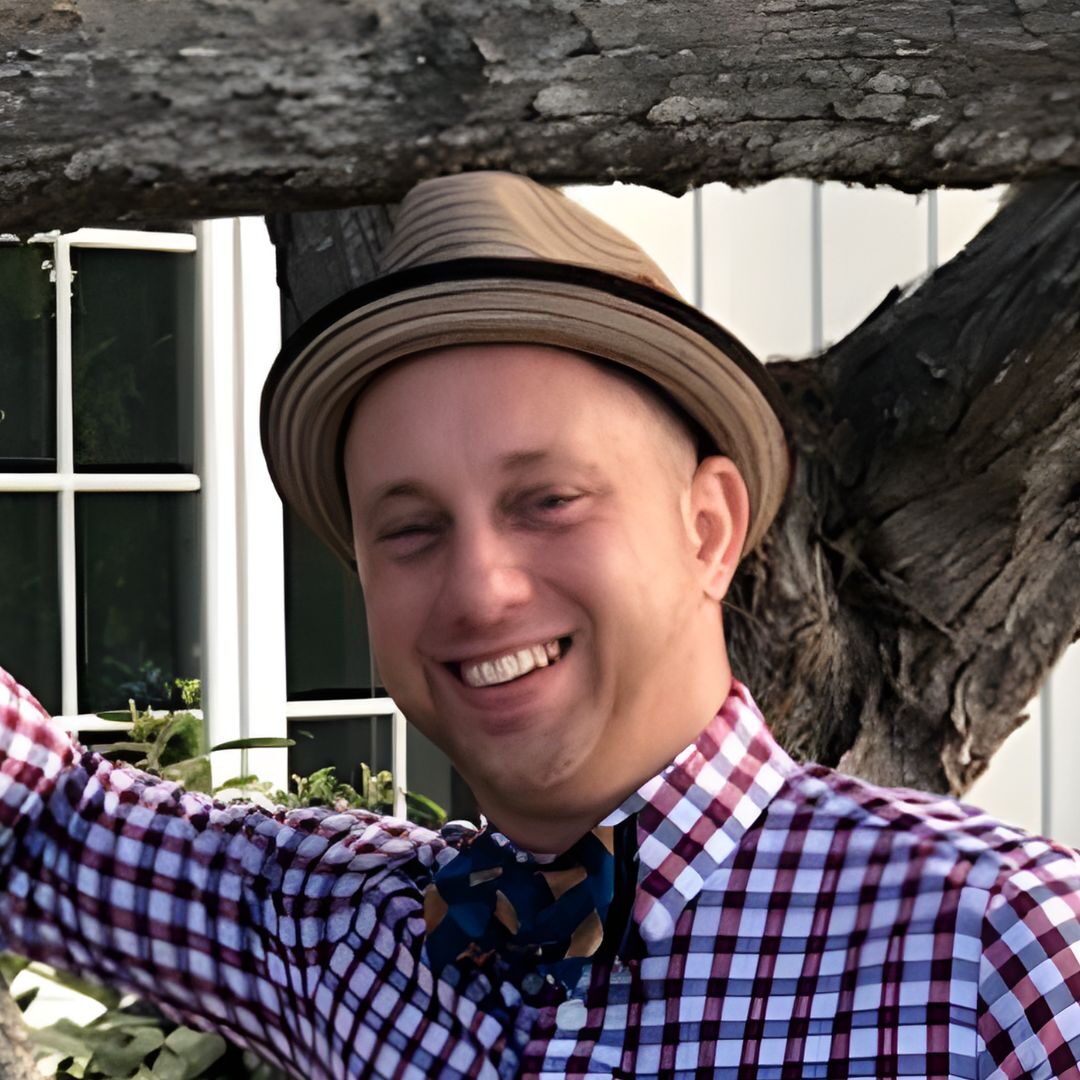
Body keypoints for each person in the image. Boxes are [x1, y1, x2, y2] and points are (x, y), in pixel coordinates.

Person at [2, 171, 1079, 1080]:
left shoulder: (1003, 960)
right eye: (411, 528)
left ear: (708, 529)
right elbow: (43, 823)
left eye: (549, 501)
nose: (480, 588)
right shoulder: (346, 939)